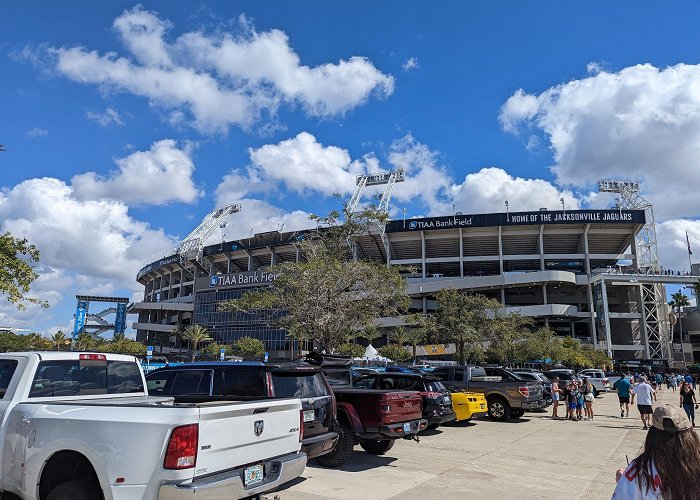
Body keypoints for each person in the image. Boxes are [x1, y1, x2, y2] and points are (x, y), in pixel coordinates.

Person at [612, 404, 700, 500]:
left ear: (653, 435)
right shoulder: (696, 463)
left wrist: (624, 482)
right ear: (690, 435)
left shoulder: (638, 472)